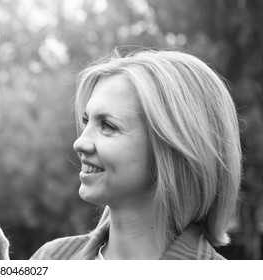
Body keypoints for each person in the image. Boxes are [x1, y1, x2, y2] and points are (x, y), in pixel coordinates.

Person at [31, 50, 242, 260]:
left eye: (108, 126)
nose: (80, 143)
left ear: (172, 147)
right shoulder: (50, 259)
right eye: (87, 121)